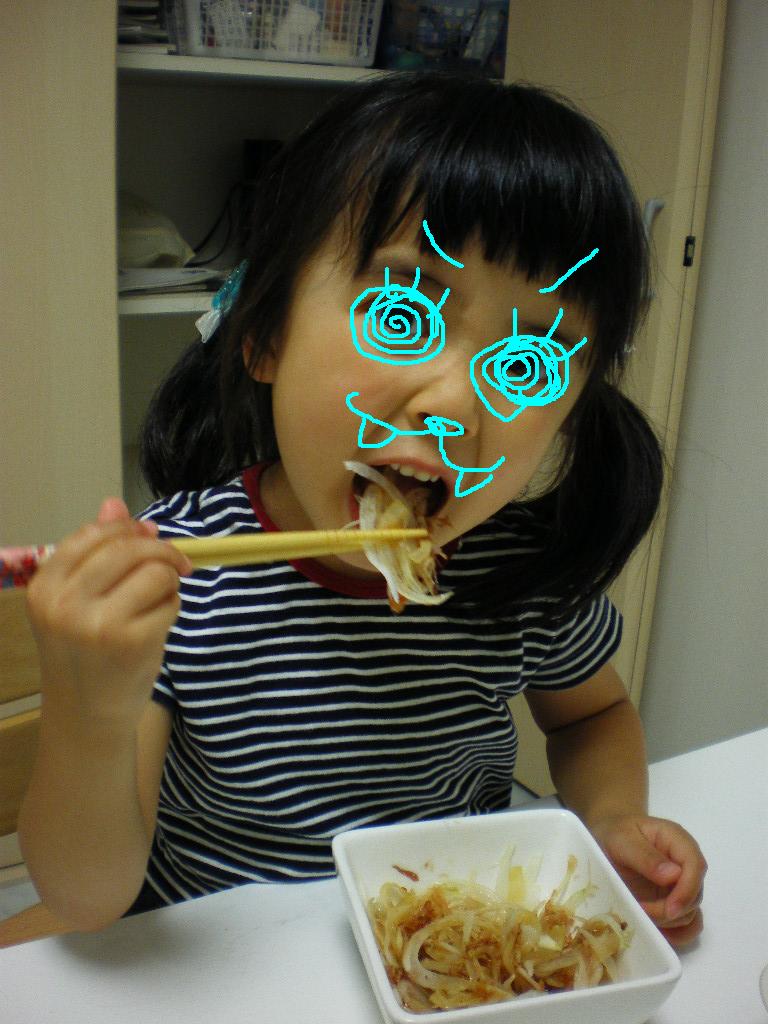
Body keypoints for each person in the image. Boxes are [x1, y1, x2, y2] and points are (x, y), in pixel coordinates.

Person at [19, 72, 706, 945]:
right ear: (265, 333)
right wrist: (90, 710)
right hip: (220, 964)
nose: (454, 405)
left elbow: (594, 714)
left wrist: (610, 821)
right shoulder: (182, 582)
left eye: (530, 359)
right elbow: (87, 900)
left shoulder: (520, 572)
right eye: (401, 312)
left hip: (442, 953)